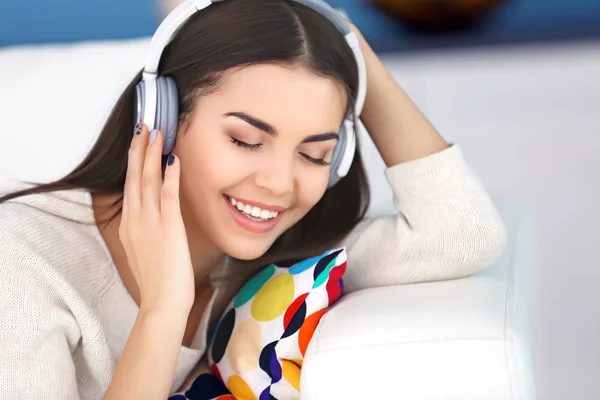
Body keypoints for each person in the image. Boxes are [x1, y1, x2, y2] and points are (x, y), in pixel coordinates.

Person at [0, 0, 506, 398]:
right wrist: (163, 309)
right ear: (162, 121)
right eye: (245, 140)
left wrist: (345, 37)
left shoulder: (269, 258)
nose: (280, 185)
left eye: (313, 154)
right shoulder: (21, 264)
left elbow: (461, 235)